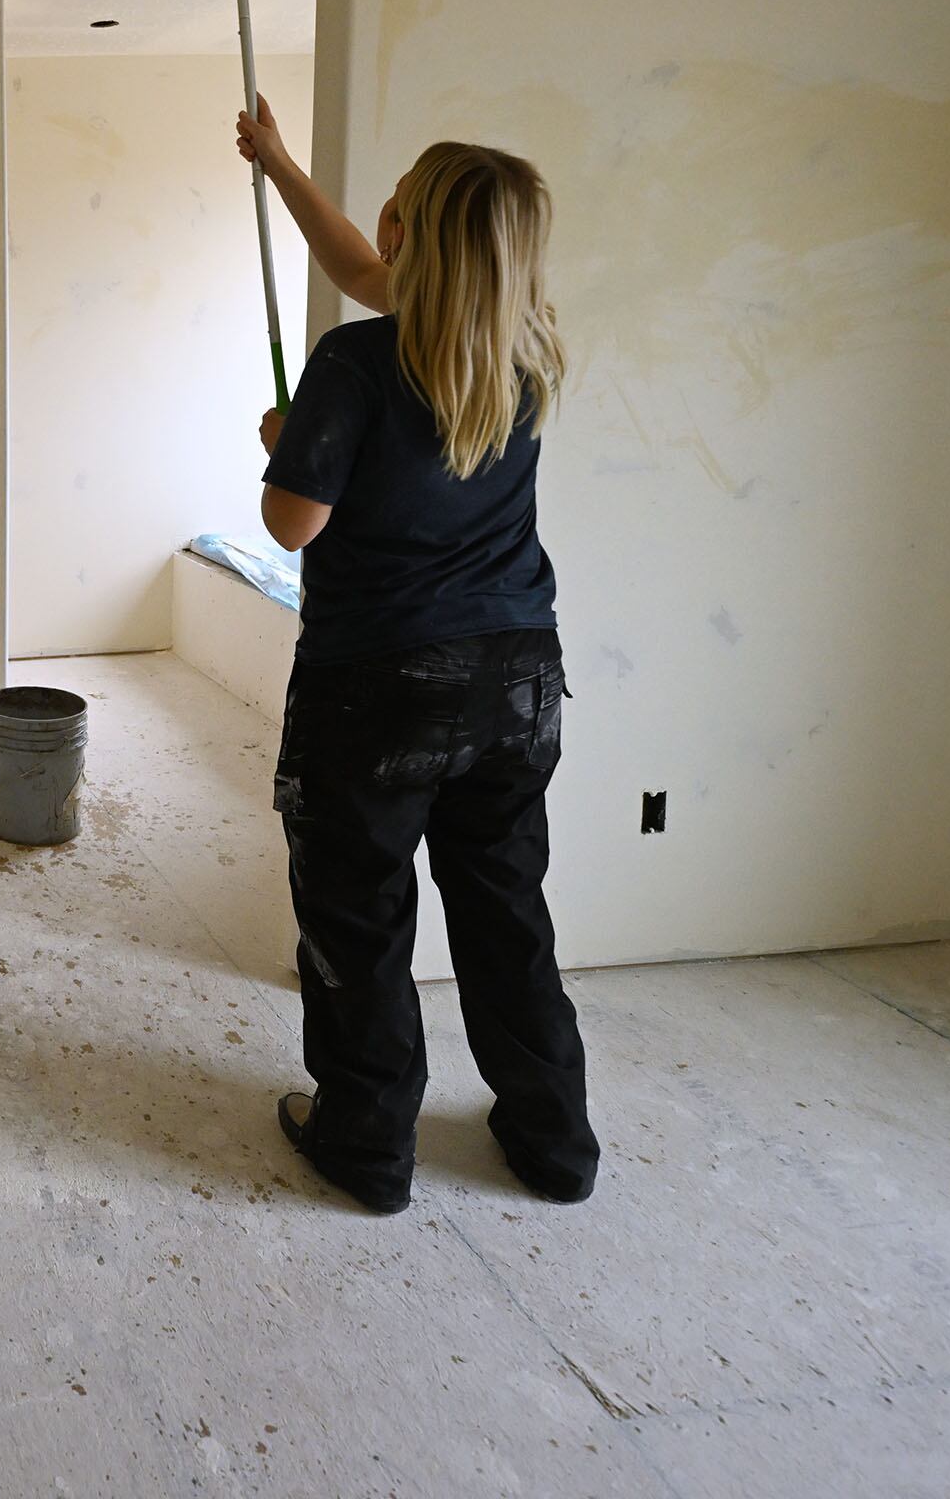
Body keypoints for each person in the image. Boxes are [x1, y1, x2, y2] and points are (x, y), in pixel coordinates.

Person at [232, 96, 599, 1216]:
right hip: (518, 680)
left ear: (413, 235)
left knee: (359, 910)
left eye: (393, 204)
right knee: (504, 910)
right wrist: (281, 166)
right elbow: (355, 264)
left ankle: (368, 1141)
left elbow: (293, 521)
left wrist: (281, 443)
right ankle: (553, 1140)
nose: (376, 216)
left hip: (381, 690)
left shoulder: (355, 362)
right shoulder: (524, 350)